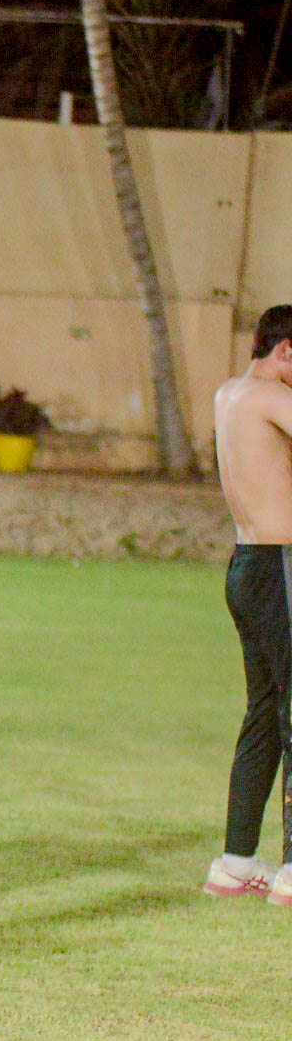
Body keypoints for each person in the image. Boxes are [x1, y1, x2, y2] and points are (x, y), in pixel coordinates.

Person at [205, 303, 292, 905]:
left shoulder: (229, 394)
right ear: (285, 350)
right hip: (282, 568)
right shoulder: (269, 397)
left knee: (264, 713)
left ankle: (235, 863)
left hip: (247, 567)